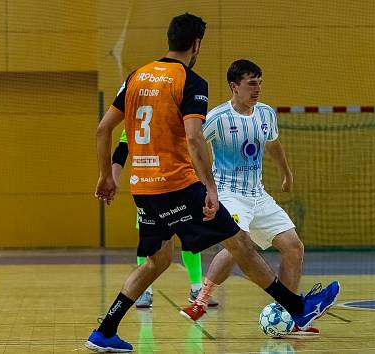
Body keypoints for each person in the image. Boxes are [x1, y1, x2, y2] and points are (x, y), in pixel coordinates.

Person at [86, 13, 340, 352]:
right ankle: (298, 308)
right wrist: (209, 187)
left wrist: (106, 176)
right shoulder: (189, 81)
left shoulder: (135, 77)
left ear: (170, 38)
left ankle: (104, 331)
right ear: (196, 45)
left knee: (157, 261)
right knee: (240, 244)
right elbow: (194, 139)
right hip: (176, 185)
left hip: (143, 187)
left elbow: (104, 129)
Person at [180, 59, 316, 337]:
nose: (257, 88)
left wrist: (287, 174)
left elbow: (274, 144)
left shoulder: (266, 114)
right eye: (251, 83)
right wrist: (201, 187)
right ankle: (201, 301)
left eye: (260, 82)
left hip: (258, 194)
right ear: (234, 86)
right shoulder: (218, 118)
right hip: (229, 193)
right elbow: (190, 146)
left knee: (294, 247)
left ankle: (291, 315)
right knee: (235, 245)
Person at [111, 129, 219, 308]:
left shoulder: (176, 117)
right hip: (148, 188)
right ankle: (145, 291)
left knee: (190, 237)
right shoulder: (134, 120)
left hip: (178, 185)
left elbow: (194, 146)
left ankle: (196, 289)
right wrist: (113, 178)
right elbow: (121, 150)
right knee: (147, 241)